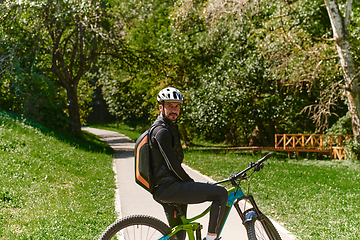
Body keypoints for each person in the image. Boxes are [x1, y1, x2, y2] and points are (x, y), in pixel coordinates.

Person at [149, 87, 228, 240]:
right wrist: (190, 183)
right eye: (170, 106)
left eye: (177, 106)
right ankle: (211, 238)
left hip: (165, 188)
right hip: (169, 187)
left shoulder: (166, 127)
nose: (174, 110)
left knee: (179, 235)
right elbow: (172, 165)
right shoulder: (161, 131)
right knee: (220, 193)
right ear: (161, 107)